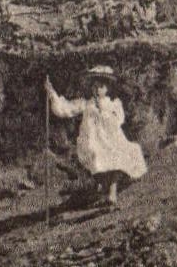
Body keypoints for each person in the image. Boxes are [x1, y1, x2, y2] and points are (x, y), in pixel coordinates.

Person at [45, 65, 147, 208]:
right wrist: (51, 93)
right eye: (95, 85)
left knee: (120, 157)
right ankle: (103, 191)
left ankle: (112, 193)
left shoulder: (114, 104)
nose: (97, 88)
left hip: (111, 140)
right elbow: (65, 109)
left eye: (102, 85)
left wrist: (103, 111)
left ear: (108, 89)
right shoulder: (86, 104)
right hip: (93, 141)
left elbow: (119, 120)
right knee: (97, 160)